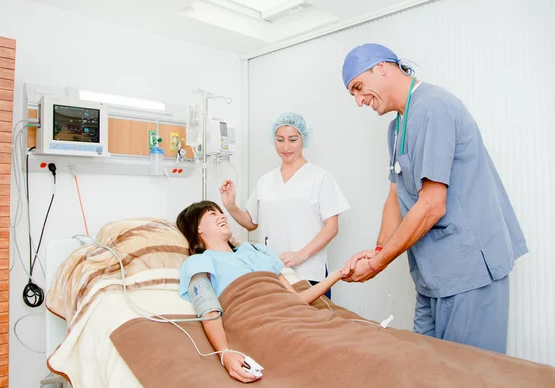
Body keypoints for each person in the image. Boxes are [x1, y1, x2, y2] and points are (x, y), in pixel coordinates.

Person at [339, 43, 528, 354]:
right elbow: (395, 196)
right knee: (428, 368)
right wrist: (376, 251)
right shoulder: (396, 128)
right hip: (432, 275)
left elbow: (431, 205)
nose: (359, 101)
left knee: (471, 374)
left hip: (467, 271)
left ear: (382, 67)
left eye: (359, 88)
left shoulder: (434, 107)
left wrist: (377, 264)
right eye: (353, 95)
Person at [175, 200, 344, 383]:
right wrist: (225, 353)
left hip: (297, 316)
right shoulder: (198, 262)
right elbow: (209, 310)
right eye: (212, 214)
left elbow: (297, 300)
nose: (222, 216)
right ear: (198, 228)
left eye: (221, 212)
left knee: (340, 340)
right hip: (259, 323)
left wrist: (339, 274)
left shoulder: (255, 250)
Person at [219, 112, 350, 298]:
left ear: (303, 139)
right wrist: (231, 206)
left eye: (293, 139)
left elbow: (332, 227)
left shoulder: (319, 178)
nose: (286, 147)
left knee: (315, 323)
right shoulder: (266, 180)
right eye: (280, 140)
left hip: (309, 273)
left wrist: (301, 255)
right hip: (273, 273)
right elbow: (251, 222)